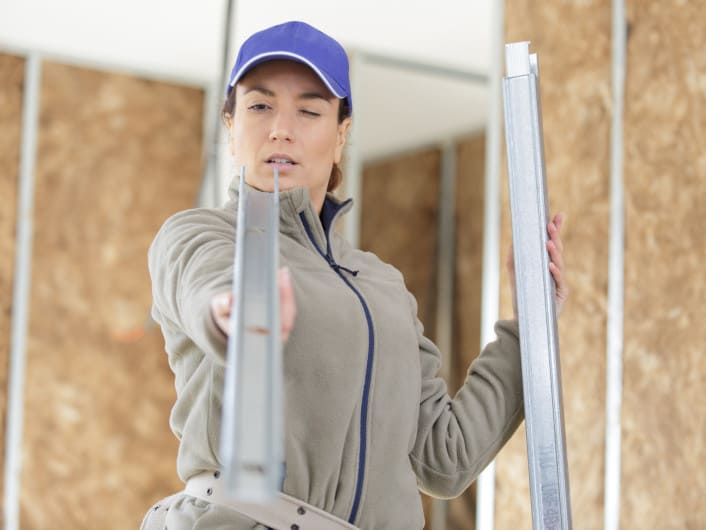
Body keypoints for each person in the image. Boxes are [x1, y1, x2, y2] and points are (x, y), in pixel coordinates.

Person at [140, 20, 568, 530]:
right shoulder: (203, 236)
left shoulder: (383, 287)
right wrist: (235, 316)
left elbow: (445, 459)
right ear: (231, 127)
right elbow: (207, 290)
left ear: (341, 134)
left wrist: (529, 329)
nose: (281, 127)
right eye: (259, 106)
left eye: (309, 109)